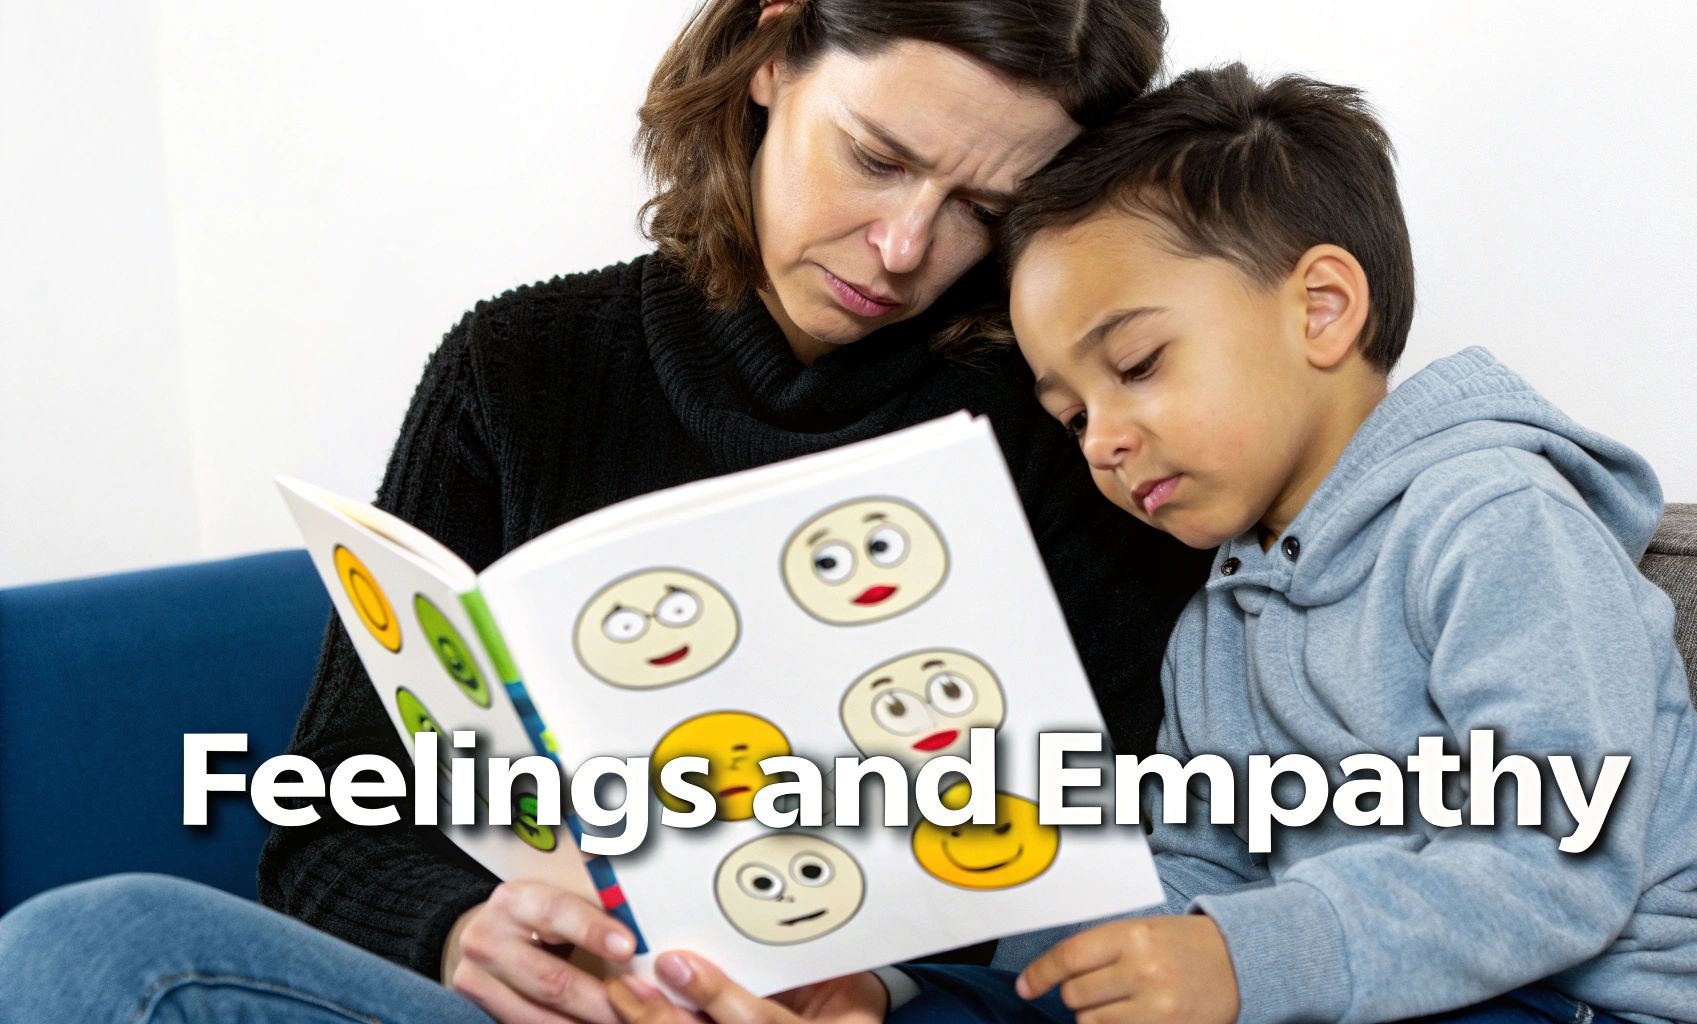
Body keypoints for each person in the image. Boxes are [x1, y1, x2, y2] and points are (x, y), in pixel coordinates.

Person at [0, 3, 1213, 1024]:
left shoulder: (1079, 430)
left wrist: (883, 988)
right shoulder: (517, 368)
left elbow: (1132, 877)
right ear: (772, 54)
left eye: (982, 209)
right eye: (877, 157)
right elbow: (323, 829)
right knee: (98, 950)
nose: (903, 248)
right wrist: (461, 933)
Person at [851, 63, 1697, 1024]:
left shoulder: (1494, 520)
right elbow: (1195, 861)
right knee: (959, 1004)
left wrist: (1246, 960)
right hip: (1348, 996)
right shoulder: (1219, 611)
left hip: (1574, 1001)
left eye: (1136, 365)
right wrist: (1030, 982)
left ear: (1321, 309)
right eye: (1073, 416)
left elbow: (1556, 858)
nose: (1105, 440)